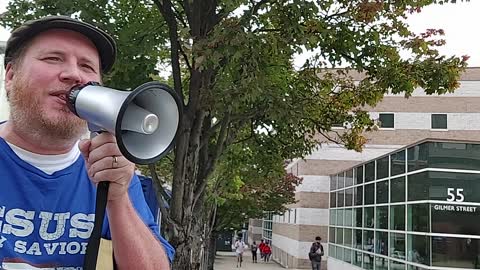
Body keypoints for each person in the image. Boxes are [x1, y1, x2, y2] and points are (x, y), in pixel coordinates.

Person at [0, 15, 174, 269]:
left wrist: (117, 199)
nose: (73, 74)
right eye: (53, 58)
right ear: (11, 75)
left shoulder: (113, 173)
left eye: (87, 67)